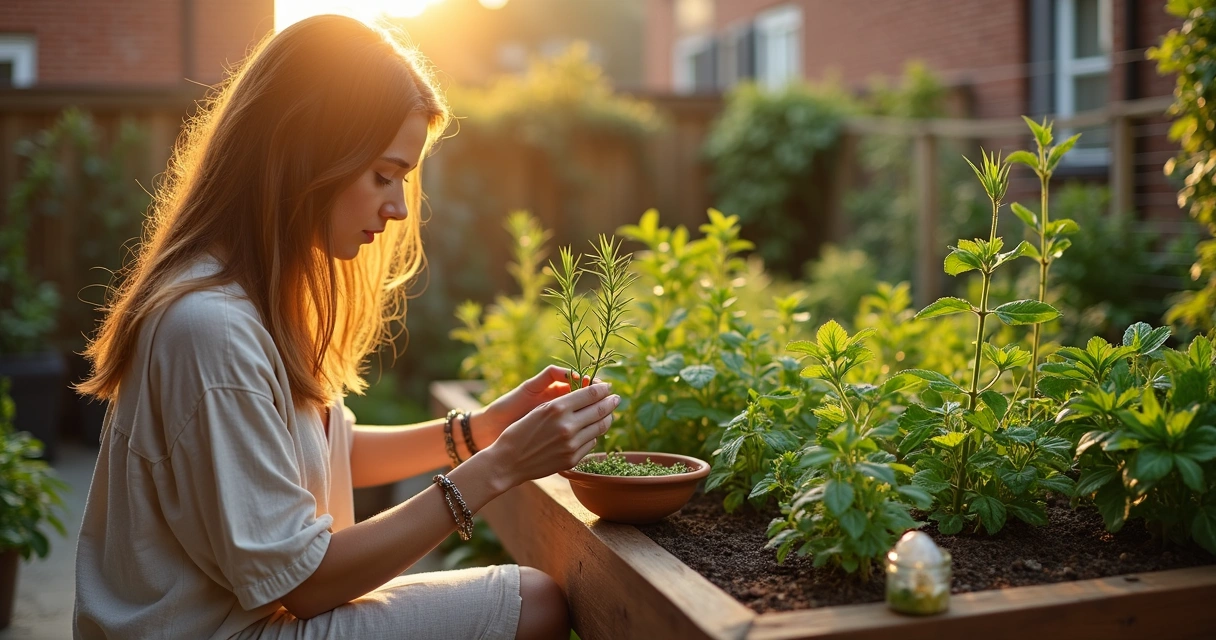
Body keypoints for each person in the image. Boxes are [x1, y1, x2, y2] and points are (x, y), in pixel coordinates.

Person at [72, 14, 618, 640]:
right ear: (303, 153)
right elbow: (304, 585)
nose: (399, 208)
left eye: (404, 181)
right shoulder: (212, 330)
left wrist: (480, 430)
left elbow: (331, 453)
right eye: (383, 175)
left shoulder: (250, 299)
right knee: (533, 603)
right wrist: (496, 468)